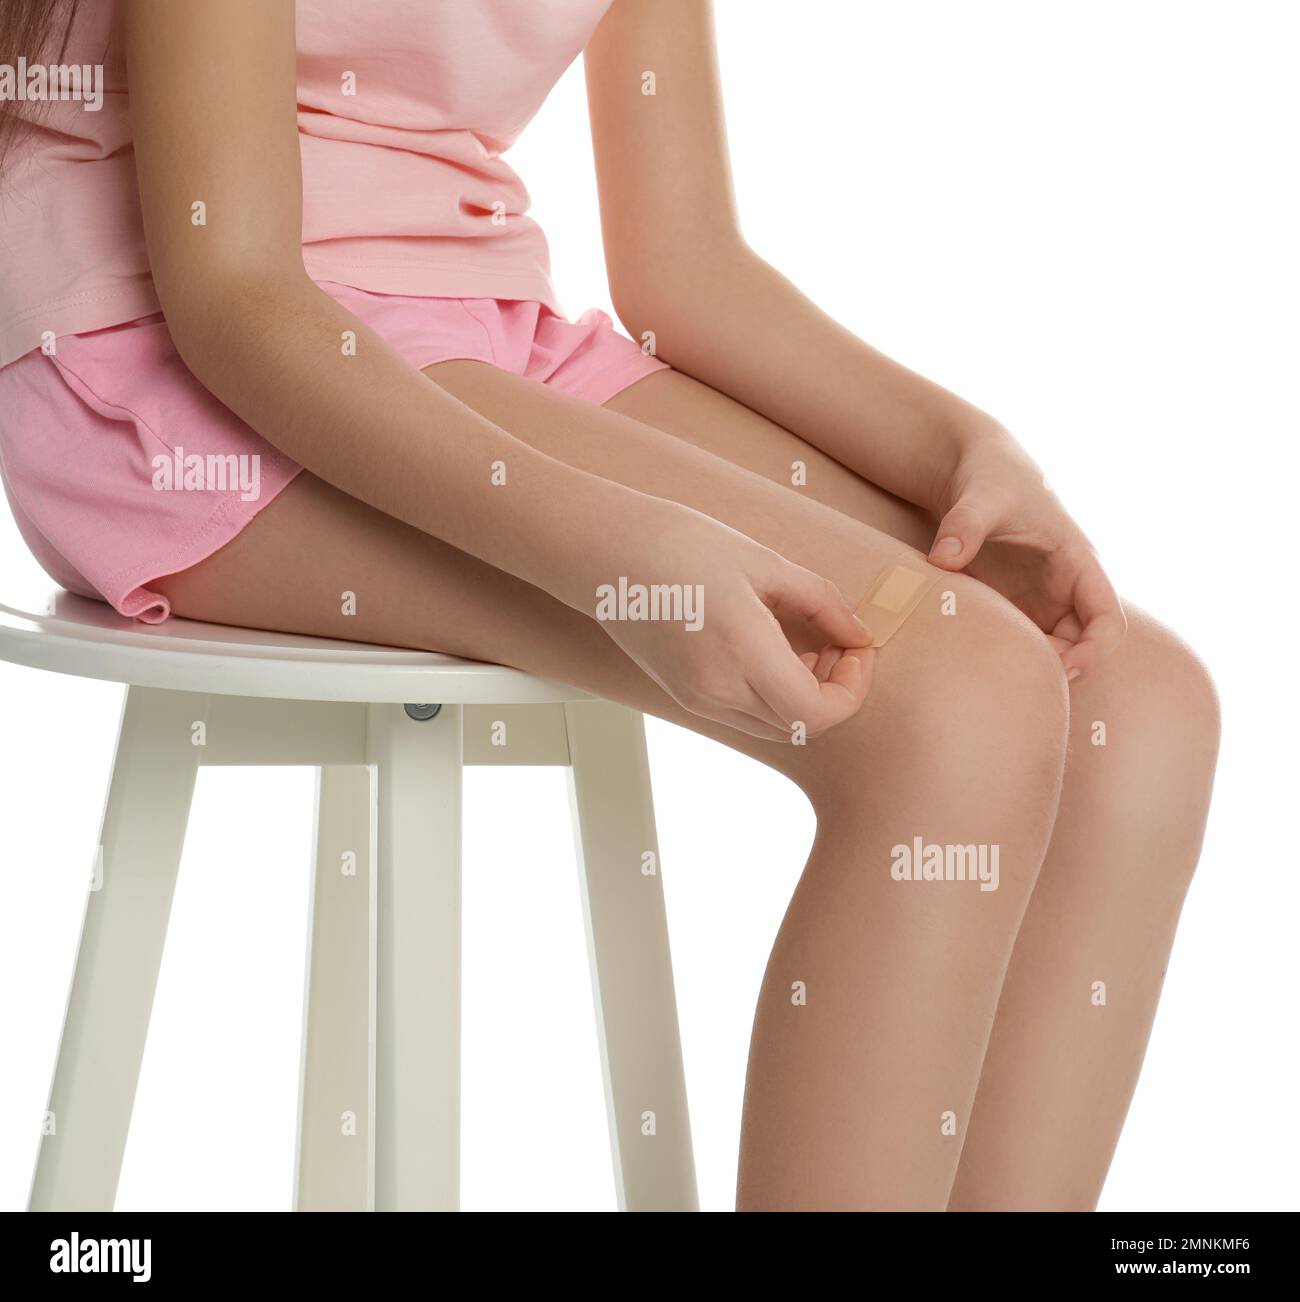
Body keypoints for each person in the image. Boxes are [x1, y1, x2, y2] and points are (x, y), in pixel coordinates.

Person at [0, 0, 1219, 1211]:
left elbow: (686, 264)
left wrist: (959, 449)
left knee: (1134, 701)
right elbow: (234, 292)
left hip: (476, 323)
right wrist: (612, 544)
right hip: (166, 346)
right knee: (960, 706)